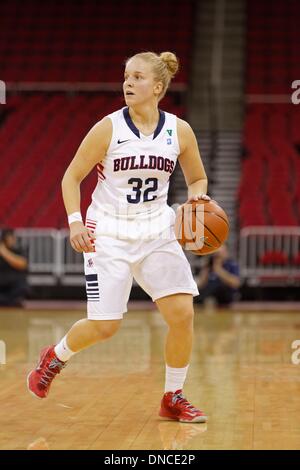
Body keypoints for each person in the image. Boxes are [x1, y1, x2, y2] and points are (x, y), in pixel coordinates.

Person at [27, 51, 211, 423]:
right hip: (108, 229)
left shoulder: (180, 130)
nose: (128, 83)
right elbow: (71, 177)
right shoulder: (108, 128)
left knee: (182, 314)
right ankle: (55, 357)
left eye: (138, 77)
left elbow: (197, 178)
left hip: (156, 226)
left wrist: (197, 199)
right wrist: (76, 221)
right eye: (126, 76)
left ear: (157, 87)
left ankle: (172, 396)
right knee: (106, 326)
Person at [0, 228, 29, 307]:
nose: (13, 239)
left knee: (22, 285)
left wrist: (4, 252)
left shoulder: (18, 250)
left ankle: (11, 301)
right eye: (10, 237)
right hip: (1, 284)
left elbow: (22, 264)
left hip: (14, 285)